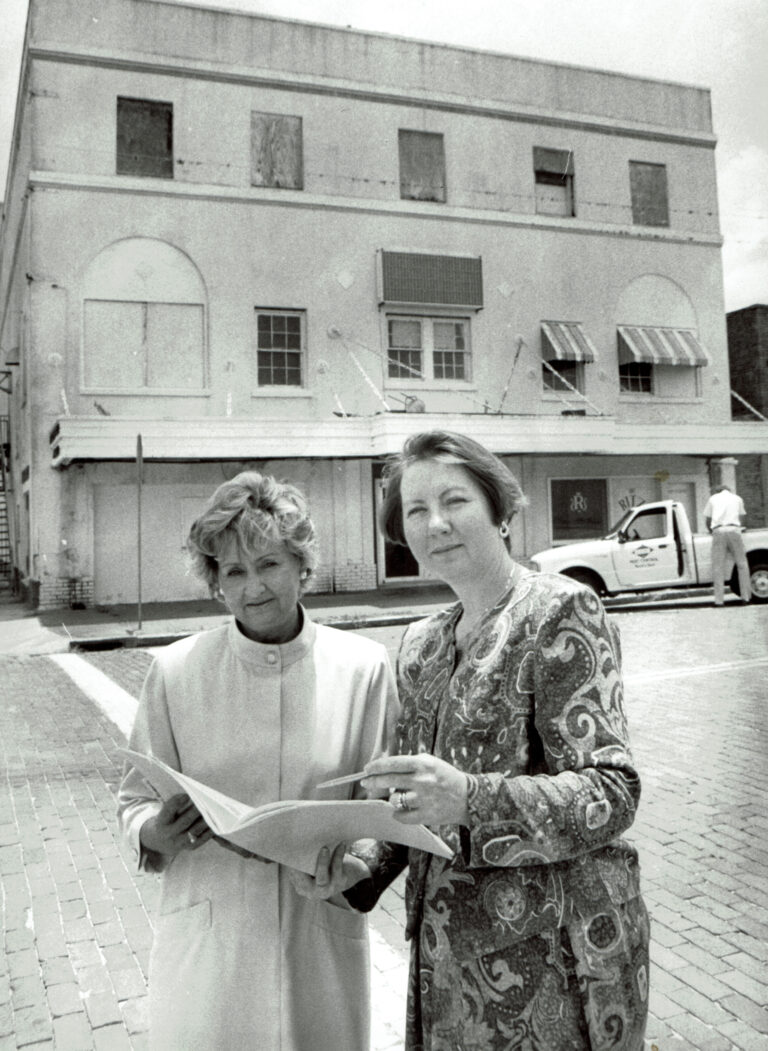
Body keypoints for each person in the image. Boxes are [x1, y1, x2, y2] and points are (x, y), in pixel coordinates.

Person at [302, 430, 649, 1050]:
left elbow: (610, 791)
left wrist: (470, 798)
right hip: (445, 965)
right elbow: (413, 806)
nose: (436, 523)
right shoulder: (420, 644)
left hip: (553, 966)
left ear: (499, 510)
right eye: (415, 509)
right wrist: (362, 865)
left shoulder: (561, 610)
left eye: (455, 501)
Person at [117, 471, 398, 1051]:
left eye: (269, 564)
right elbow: (134, 801)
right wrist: (155, 833)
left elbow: (385, 809)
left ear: (302, 565)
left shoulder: (364, 669)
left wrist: (356, 864)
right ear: (215, 581)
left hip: (317, 934)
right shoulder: (175, 671)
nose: (253, 588)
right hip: (209, 942)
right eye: (234, 571)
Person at [703, 483, 751, 605]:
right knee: (742, 564)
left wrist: (711, 531)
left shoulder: (713, 499)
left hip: (718, 530)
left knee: (718, 566)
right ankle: (745, 597)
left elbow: (708, 519)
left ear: (717, 491)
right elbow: (742, 517)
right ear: (728, 490)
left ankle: (719, 601)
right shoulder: (737, 498)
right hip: (734, 529)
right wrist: (739, 528)